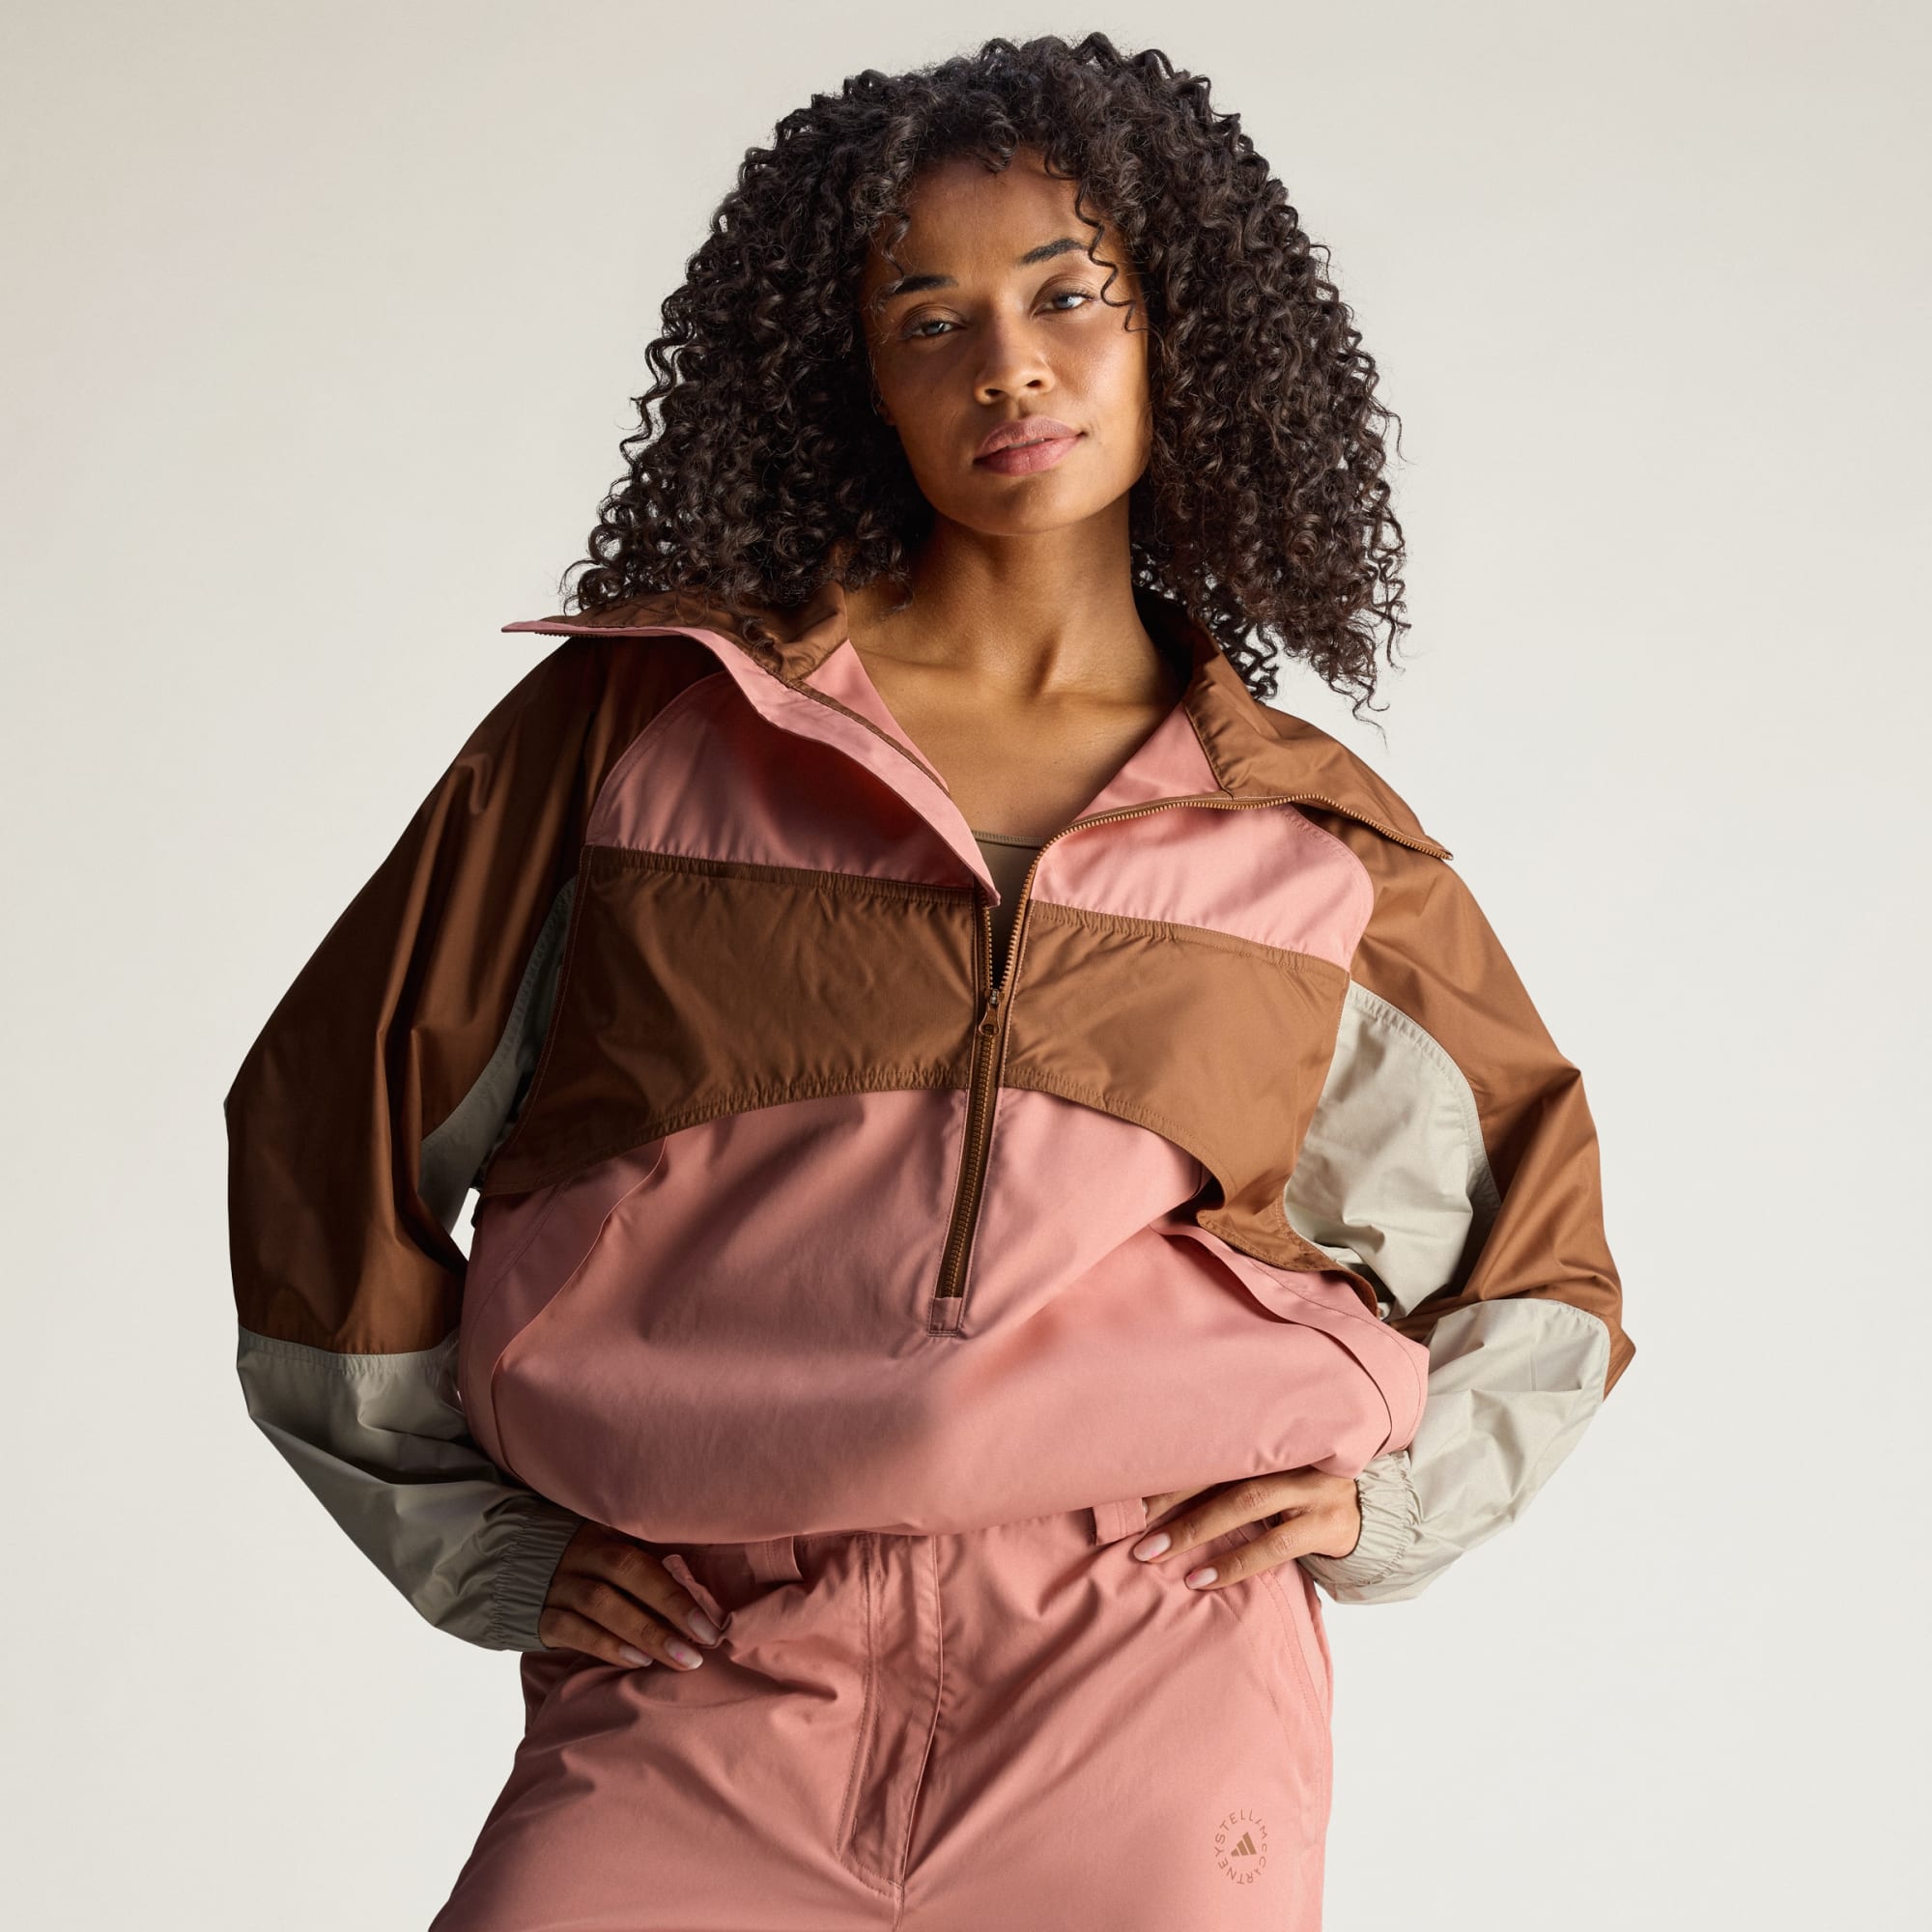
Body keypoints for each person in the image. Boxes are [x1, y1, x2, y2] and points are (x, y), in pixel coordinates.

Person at [222, 32, 1632, 1931]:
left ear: (1180, 328)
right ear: (853, 380)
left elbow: (1540, 1258)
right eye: (928, 319)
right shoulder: (642, 735)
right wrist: (474, 1539)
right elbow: (332, 1118)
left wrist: (1393, 1499)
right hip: (707, 1653)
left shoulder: (1308, 842)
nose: (1008, 366)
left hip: (1145, 1671)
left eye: (1068, 295)